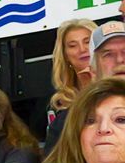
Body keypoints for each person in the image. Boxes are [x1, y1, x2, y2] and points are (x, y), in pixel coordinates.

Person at [41, 18, 98, 151]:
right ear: (65, 56)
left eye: (87, 42)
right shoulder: (57, 103)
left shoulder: (118, 86)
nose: (82, 49)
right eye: (73, 45)